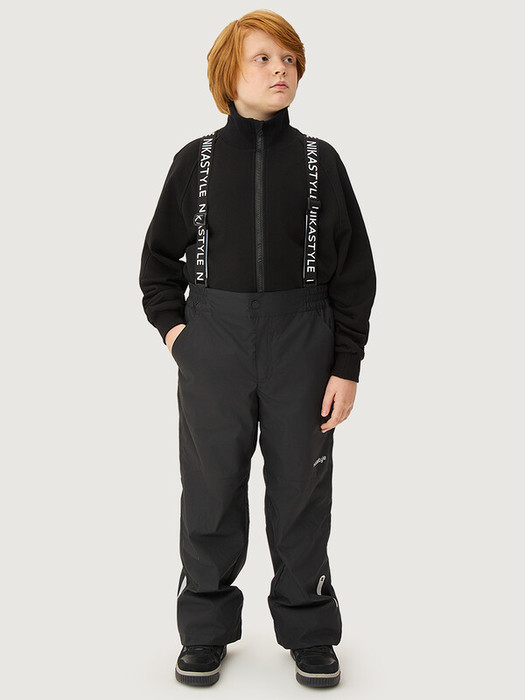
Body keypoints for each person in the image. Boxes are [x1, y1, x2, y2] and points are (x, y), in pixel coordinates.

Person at [138, 9, 376, 689]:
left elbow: (354, 271)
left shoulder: (320, 161)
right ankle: (204, 628)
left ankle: (308, 627)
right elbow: (158, 265)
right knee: (210, 488)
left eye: (289, 59)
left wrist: (346, 364)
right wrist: (179, 334)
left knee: (302, 488)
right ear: (228, 74)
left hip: (303, 339)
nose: (280, 70)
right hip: (214, 338)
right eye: (263, 59)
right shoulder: (195, 162)